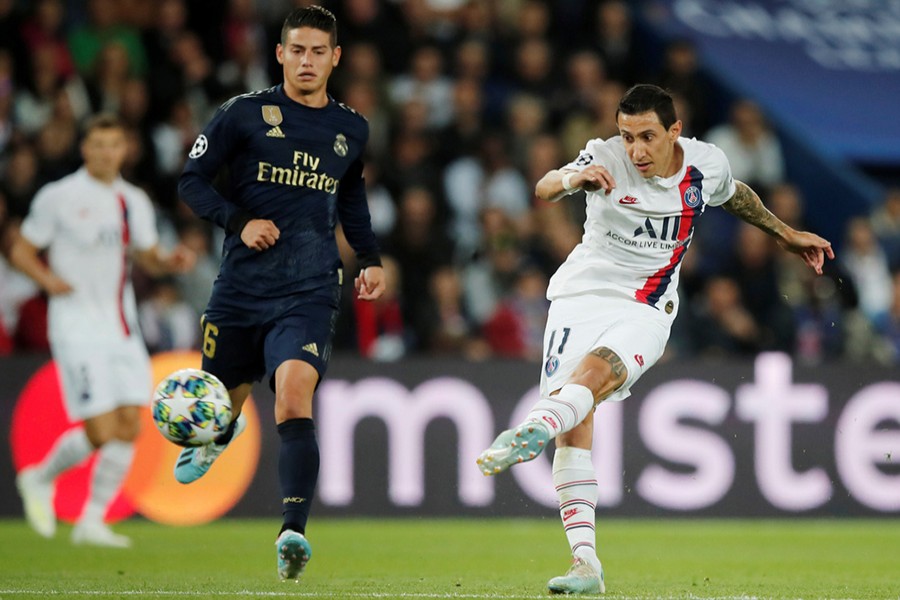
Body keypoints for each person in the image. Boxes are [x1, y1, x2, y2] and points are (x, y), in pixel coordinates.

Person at [476, 84, 834, 595]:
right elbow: (545, 186)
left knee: (594, 377)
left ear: (674, 131)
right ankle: (586, 565)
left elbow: (737, 196)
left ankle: (533, 423)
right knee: (574, 428)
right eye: (627, 137)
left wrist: (786, 234)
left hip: (647, 304)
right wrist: (575, 176)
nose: (636, 150)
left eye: (647, 136)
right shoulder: (604, 157)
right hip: (581, 295)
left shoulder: (704, 165)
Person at [175, 6, 385, 581]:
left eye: (319, 51)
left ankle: (292, 530)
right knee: (222, 403)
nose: (308, 61)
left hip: (310, 286)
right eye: (297, 50)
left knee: (294, 395)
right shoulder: (241, 115)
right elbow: (191, 181)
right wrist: (237, 219)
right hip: (241, 288)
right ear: (280, 54)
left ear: (335, 57)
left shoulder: (351, 128)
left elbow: (350, 197)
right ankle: (222, 428)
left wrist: (368, 257)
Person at [10, 113, 195, 548]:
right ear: (85, 149)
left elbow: (146, 256)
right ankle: (39, 477)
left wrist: (168, 262)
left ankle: (92, 521)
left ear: (125, 149)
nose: (107, 152)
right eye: (98, 144)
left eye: (115, 144)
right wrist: (47, 280)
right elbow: (20, 248)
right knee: (99, 430)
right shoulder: (58, 197)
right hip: (74, 324)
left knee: (130, 424)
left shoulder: (134, 200)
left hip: (121, 325)